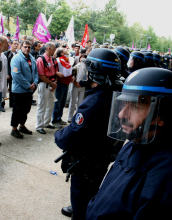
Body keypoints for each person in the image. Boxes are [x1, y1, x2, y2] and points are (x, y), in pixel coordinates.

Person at [86, 68, 172, 219]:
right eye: (123, 104)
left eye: (135, 106)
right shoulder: (135, 143)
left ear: (162, 116)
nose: (121, 114)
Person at [55, 48, 123, 219]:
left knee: (81, 201)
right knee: (91, 196)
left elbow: (73, 134)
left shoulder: (94, 101)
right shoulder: (115, 94)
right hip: (101, 157)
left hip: (87, 162)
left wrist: (59, 135)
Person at [10, 40, 38, 138]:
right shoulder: (16, 59)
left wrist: (34, 82)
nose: (27, 49)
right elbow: (16, 75)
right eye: (25, 47)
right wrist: (28, 85)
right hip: (19, 90)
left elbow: (36, 72)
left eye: (29, 47)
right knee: (17, 110)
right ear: (21, 47)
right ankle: (14, 129)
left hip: (29, 90)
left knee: (26, 109)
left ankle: (22, 125)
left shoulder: (32, 58)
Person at [35, 42, 59, 134]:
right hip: (44, 84)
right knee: (42, 105)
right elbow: (41, 75)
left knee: (50, 105)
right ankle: (39, 126)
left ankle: (46, 122)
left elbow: (55, 72)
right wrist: (52, 83)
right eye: (54, 48)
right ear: (49, 48)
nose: (55, 50)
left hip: (51, 84)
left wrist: (54, 82)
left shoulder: (52, 59)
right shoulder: (41, 59)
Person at [52, 48, 73, 128]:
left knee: (62, 103)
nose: (67, 50)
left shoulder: (67, 60)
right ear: (61, 53)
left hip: (66, 84)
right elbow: (55, 71)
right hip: (60, 84)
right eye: (65, 50)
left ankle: (59, 118)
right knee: (57, 103)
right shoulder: (58, 61)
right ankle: (54, 120)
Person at [67, 53, 87, 123]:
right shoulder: (76, 67)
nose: (83, 59)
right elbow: (72, 78)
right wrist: (76, 83)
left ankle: (77, 117)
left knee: (80, 103)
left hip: (82, 86)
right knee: (72, 102)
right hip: (75, 86)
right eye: (82, 57)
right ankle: (70, 117)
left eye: (85, 57)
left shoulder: (86, 68)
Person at [3, 39, 19, 109]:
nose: (16, 45)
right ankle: (2, 104)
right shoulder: (6, 54)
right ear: (11, 44)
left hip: (14, 75)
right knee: (4, 89)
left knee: (13, 89)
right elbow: (5, 64)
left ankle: (12, 103)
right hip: (7, 74)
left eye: (17, 44)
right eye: (14, 44)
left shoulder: (18, 54)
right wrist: (6, 73)